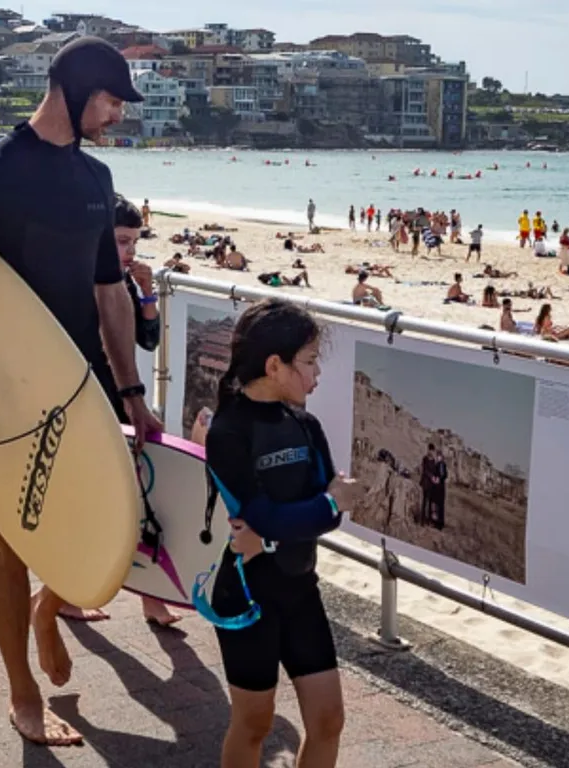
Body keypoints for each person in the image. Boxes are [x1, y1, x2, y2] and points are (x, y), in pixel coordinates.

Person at [0, 37, 161, 747]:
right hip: (4, 395)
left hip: (82, 386)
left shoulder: (94, 178)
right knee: (14, 537)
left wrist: (134, 394)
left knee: (107, 516)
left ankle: (45, 610)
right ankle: (23, 693)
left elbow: (109, 293)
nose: (117, 115)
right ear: (77, 90)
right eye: (112, 100)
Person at [203, 298, 360, 768]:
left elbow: (326, 515)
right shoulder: (229, 431)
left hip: (298, 586)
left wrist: (283, 529)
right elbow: (270, 513)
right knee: (254, 724)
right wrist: (323, 505)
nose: (316, 374)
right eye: (309, 362)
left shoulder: (305, 425)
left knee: (328, 719)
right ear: (275, 365)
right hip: (246, 596)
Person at [44, 193, 181, 627]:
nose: (128, 253)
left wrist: (146, 293)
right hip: (88, 404)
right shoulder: (75, 280)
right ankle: (58, 594)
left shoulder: (121, 281)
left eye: (134, 245)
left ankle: (150, 598)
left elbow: (149, 341)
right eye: (121, 242)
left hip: (125, 402)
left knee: (143, 498)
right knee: (88, 503)